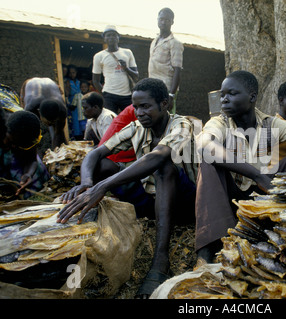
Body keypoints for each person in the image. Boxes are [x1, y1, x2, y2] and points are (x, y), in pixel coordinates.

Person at [57, 78, 197, 298]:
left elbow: (158, 156)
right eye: (136, 106)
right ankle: (125, 220)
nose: (139, 112)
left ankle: (160, 260)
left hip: (185, 201)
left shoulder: (182, 125)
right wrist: (87, 183)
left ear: (164, 104)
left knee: (164, 166)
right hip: (153, 199)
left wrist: (103, 186)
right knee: (103, 165)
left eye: (146, 106)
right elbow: (95, 154)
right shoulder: (136, 127)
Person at [194, 71, 286, 265]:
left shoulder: (269, 123)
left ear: (252, 97)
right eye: (222, 95)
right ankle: (210, 250)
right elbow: (204, 145)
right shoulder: (220, 122)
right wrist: (256, 175)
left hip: (269, 192)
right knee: (208, 160)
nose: (224, 99)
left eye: (231, 93)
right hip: (232, 199)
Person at [0, 109, 50, 199]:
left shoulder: (27, 126)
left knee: (38, 172)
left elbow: (32, 159)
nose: (13, 147)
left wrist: (28, 174)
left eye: (19, 145)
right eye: (11, 142)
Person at [92, 25, 139, 114]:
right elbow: (95, 80)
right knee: (111, 122)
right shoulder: (99, 56)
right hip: (109, 95)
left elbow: (136, 76)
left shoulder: (127, 53)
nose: (111, 37)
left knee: (131, 121)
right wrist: (104, 95)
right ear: (104, 38)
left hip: (127, 95)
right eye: (108, 35)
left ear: (118, 37)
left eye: (114, 35)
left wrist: (126, 68)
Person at [148, 8, 183, 114]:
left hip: (166, 89)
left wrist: (171, 95)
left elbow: (177, 70)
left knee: (166, 118)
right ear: (157, 19)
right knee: (154, 116)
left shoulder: (175, 43)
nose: (164, 22)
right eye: (161, 19)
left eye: (167, 20)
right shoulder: (155, 41)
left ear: (172, 22)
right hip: (153, 87)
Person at [19, 77, 68, 150]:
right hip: (30, 83)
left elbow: (59, 133)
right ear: (39, 113)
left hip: (50, 84)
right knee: (29, 130)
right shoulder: (30, 106)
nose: (50, 124)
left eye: (53, 121)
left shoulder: (62, 110)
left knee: (59, 131)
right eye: (48, 121)